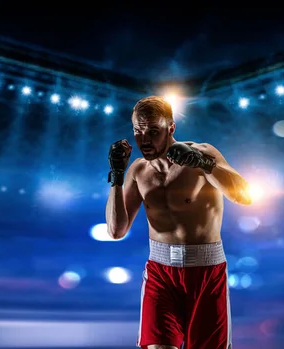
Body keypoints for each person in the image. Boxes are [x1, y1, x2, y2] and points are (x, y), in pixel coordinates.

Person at [105, 96, 252, 349]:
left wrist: (203, 163)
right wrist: (117, 176)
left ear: (171, 128)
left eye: (153, 131)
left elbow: (245, 195)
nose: (145, 140)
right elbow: (116, 231)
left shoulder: (203, 152)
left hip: (206, 271)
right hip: (160, 274)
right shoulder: (138, 171)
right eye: (138, 131)